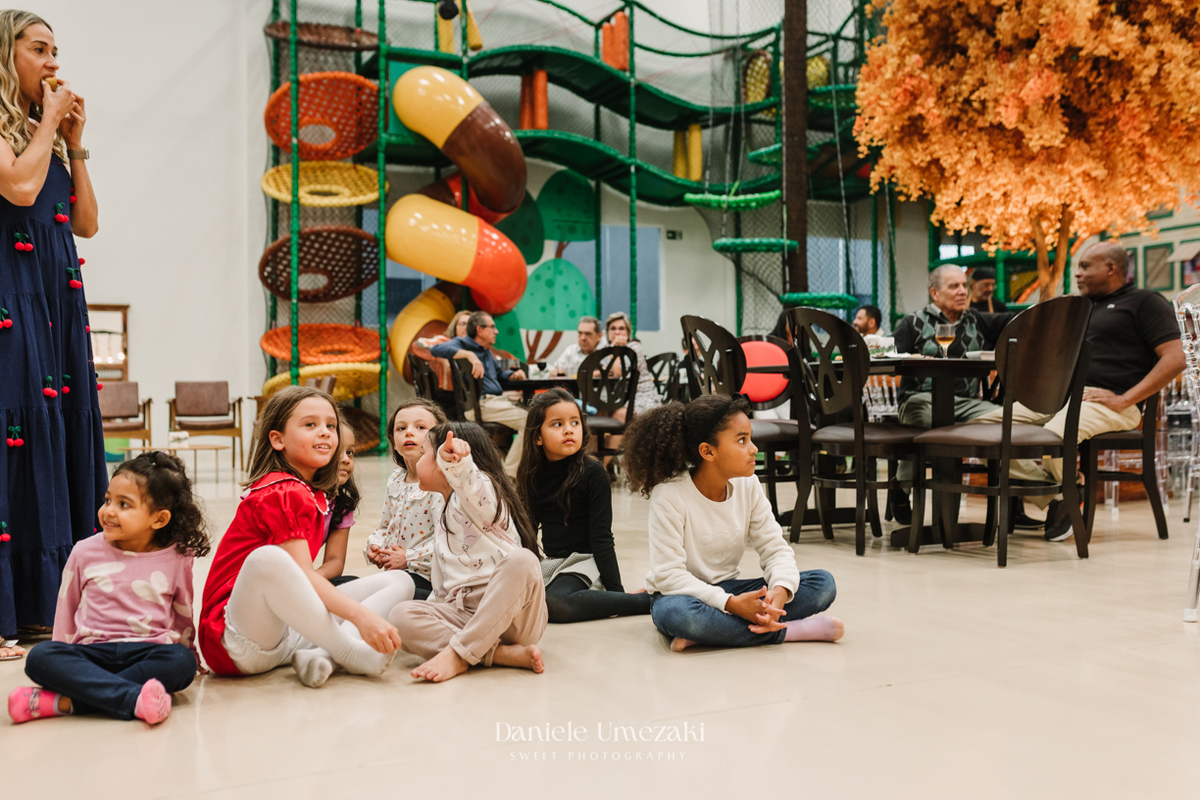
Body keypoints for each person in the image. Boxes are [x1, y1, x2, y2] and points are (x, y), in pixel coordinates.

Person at [0, 10, 102, 661]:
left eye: (56, 50)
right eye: (39, 49)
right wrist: (46, 127)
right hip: (12, 293)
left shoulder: (48, 137)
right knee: (16, 437)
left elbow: (86, 222)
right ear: (7, 55)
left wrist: (75, 140)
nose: (52, 62)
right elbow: (18, 185)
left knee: (62, 432)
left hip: (59, 301)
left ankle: (52, 608)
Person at [198, 387, 414, 688]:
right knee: (268, 559)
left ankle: (322, 654)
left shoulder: (314, 494)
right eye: (310, 424)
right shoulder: (280, 489)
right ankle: (349, 650)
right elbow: (302, 574)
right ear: (278, 439)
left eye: (330, 426)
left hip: (284, 636)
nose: (325, 433)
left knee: (400, 581)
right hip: (236, 640)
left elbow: (312, 577)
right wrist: (363, 619)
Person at [973, 242, 1184, 541]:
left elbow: (1176, 358)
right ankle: (1061, 497)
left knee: (1052, 439)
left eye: (1085, 266)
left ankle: (1065, 496)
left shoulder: (1144, 302)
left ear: (1111, 267)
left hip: (1111, 402)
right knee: (979, 434)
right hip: (1060, 398)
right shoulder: (1079, 307)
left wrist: (1125, 399)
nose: (1078, 274)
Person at [622, 394, 843, 652]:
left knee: (823, 584)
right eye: (742, 440)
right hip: (683, 595)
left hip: (730, 589)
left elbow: (775, 549)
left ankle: (711, 633)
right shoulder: (669, 495)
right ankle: (789, 632)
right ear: (708, 451)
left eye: (749, 438)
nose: (754, 448)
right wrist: (731, 604)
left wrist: (779, 595)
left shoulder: (747, 484)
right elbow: (668, 576)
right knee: (677, 615)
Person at [8, 453, 207, 725]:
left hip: (148, 652)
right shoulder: (84, 551)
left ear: (159, 519)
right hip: (91, 653)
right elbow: (66, 610)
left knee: (180, 663)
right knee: (41, 657)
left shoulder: (177, 557)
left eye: (124, 504)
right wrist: (61, 658)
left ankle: (66, 702)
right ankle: (133, 698)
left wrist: (191, 654)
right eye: (107, 499)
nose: (109, 510)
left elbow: (183, 610)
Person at [389, 422, 547, 682]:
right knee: (401, 615)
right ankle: (498, 655)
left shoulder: (481, 493)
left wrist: (456, 463)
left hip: (513, 614)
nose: (419, 459)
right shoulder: (444, 509)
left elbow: (471, 484)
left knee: (523, 560)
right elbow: (442, 587)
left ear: (443, 464)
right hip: (464, 614)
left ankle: (459, 655)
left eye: (425, 452)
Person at [890, 264, 1016, 524]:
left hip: (968, 404)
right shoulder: (912, 322)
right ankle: (902, 488)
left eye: (965, 286)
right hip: (918, 399)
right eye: (954, 286)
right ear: (934, 293)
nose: (963, 292)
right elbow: (889, 357)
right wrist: (912, 358)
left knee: (1008, 419)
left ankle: (1040, 493)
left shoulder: (977, 319)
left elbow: (1020, 322)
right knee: (932, 418)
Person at [516, 390, 653, 623]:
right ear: (537, 437)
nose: (569, 429)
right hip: (553, 563)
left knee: (555, 604)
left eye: (575, 423)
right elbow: (526, 532)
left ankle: (644, 601)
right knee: (519, 601)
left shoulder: (592, 472)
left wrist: (616, 594)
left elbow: (601, 537)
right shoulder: (531, 474)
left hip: (586, 561)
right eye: (557, 424)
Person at [365, 398, 447, 601]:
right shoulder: (395, 480)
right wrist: (375, 546)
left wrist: (408, 558)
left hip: (432, 581)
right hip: (399, 574)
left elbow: (447, 540)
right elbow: (384, 526)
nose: (409, 432)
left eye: (420, 427)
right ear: (393, 440)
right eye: (401, 428)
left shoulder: (440, 485)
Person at [429, 310, 527, 477]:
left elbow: (498, 375)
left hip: (495, 402)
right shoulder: (463, 344)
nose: (496, 331)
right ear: (480, 330)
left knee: (536, 413)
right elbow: (436, 349)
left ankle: (517, 471)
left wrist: (513, 374)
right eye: (492, 327)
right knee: (529, 420)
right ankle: (510, 475)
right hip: (481, 405)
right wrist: (469, 355)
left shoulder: (486, 350)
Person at [322, 423, 361, 587]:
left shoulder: (341, 503)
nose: (345, 459)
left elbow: (335, 560)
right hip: (253, 586)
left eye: (350, 452)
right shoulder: (288, 493)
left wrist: (311, 580)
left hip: (301, 580)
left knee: (354, 583)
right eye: (336, 451)